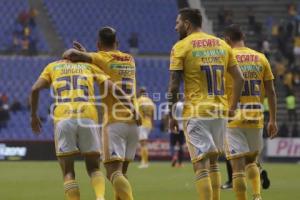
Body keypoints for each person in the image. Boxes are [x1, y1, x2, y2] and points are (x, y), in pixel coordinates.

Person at [30, 58, 136, 200]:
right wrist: (130, 106)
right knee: (93, 168)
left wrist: (33, 116)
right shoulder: (88, 66)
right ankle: (100, 197)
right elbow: (112, 87)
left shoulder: (52, 67)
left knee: (68, 172)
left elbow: (35, 89)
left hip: (64, 117)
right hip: (88, 116)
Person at [168, 8, 244, 200]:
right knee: (213, 163)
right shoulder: (222, 45)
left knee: (200, 165)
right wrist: (232, 107)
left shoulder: (181, 46)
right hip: (219, 112)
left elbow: (173, 87)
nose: (175, 27)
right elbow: (239, 78)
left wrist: (171, 114)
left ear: (187, 24)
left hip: (196, 112)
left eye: (178, 23)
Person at [63, 26, 140, 200]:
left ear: (98, 44)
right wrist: (89, 56)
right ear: (117, 42)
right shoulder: (130, 59)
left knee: (113, 173)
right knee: (122, 174)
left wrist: (80, 54)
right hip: (134, 120)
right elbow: (105, 63)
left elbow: (70, 54)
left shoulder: (99, 57)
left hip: (115, 122)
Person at [224, 24, 278, 200]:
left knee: (237, 168)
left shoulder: (226, 57)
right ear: (243, 38)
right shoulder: (260, 58)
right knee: (252, 161)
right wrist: (273, 120)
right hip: (255, 116)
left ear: (227, 40)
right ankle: (257, 196)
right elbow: (271, 91)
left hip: (233, 116)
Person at [137, 87, 155, 168]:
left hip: (142, 124)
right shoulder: (150, 101)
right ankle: (143, 161)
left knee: (143, 144)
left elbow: (136, 112)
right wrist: (153, 124)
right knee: (144, 143)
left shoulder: (139, 100)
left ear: (140, 92)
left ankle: (145, 162)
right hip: (149, 124)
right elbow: (153, 114)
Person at [170, 98, 185, 167]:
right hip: (181, 127)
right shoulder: (186, 105)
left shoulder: (174, 105)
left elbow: (170, 116)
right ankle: (180, 163)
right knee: (181, 145)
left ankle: (174, 157)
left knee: (173, 144)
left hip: (174, 127)